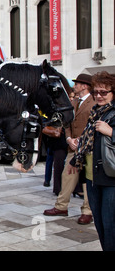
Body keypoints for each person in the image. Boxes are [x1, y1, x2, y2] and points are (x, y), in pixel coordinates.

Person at [69, 71, 115, 251]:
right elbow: (92, 140)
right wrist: (77, 154)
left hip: (111, 178)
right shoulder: (96, 112)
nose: (99, 96)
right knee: (101, 225)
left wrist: (111, 132)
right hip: (93, 176)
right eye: (96, 92)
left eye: (104, 92)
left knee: (110, 224)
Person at [44, 73, 95, 224]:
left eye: (77, 84)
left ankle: (87, 211)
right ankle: (61, 206)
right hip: (73, 147)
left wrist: (81, 140)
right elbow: (67, 124)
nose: (75, 86)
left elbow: (93, 124)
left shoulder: (93, 102)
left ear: (85, 86)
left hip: (89, 147)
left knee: (88, 180)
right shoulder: (73, 102)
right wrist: (69, 139)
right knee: (67, 175)